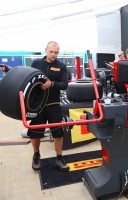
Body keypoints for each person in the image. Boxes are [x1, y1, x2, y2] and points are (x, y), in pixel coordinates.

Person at [28, 41, 70, 172]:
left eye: (56, 52)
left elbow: (64, 84)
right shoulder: (36, 64)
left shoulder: (61, 66)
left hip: (54, 104)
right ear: (46, 50)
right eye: (51, 52)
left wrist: (51, 84)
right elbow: (28, 78)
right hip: (37, 105)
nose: (53, 55)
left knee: (58, 133)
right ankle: (36, 155)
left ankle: (59, 158)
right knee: (35, 133)